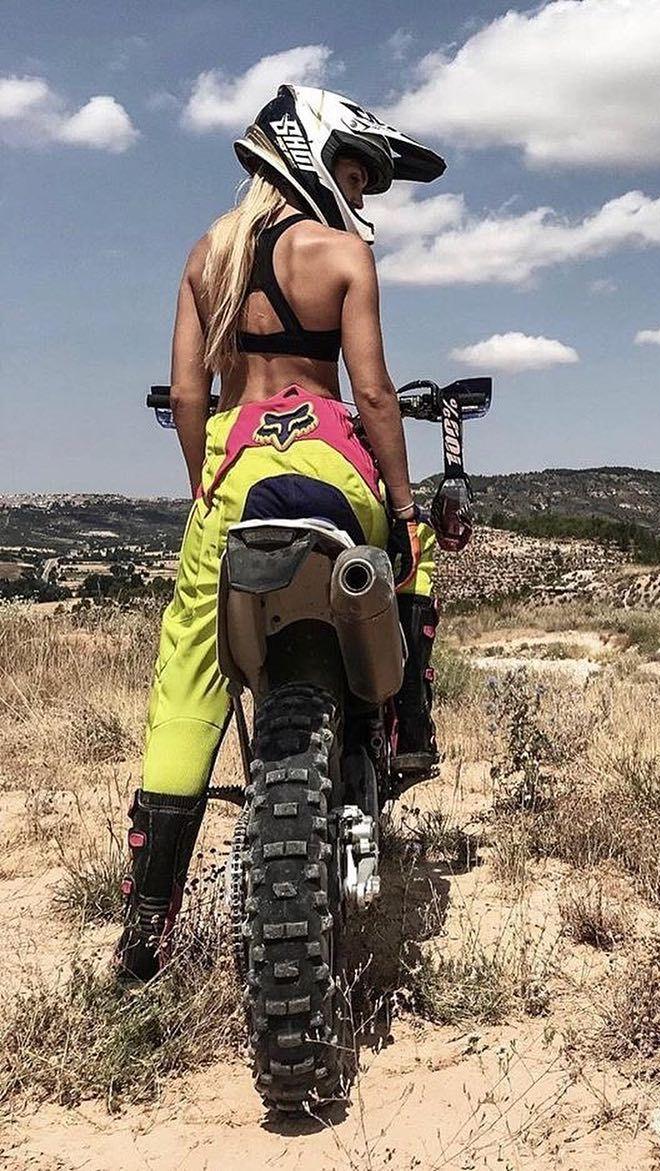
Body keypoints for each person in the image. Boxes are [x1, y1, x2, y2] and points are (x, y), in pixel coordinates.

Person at [116, 86, 445, 982]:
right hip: (331, 459)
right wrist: (406, 509)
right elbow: (372, 393)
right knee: (401, 569)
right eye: (355, 175)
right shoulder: (341, 255)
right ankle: (403, 724)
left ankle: (146, 920)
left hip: (231, 471)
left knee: (188, 672)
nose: (360, 194)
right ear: (312, 158)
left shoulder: (206, 256)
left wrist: (205, 483)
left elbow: (189, 392)